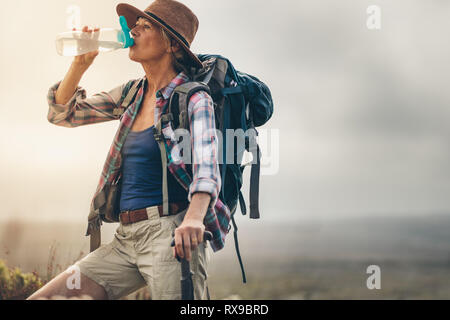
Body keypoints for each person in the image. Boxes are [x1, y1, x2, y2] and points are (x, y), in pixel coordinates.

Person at [27, 0, 226, 300]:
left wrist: (194, 218)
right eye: (135, 26)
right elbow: (63, 114)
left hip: (169, 237)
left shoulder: (195, 99)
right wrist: (80, 64)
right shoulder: (133, 93)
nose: (133, 31)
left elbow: (207, 167)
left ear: (172, 44)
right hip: (125, 239)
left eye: (145, 27)